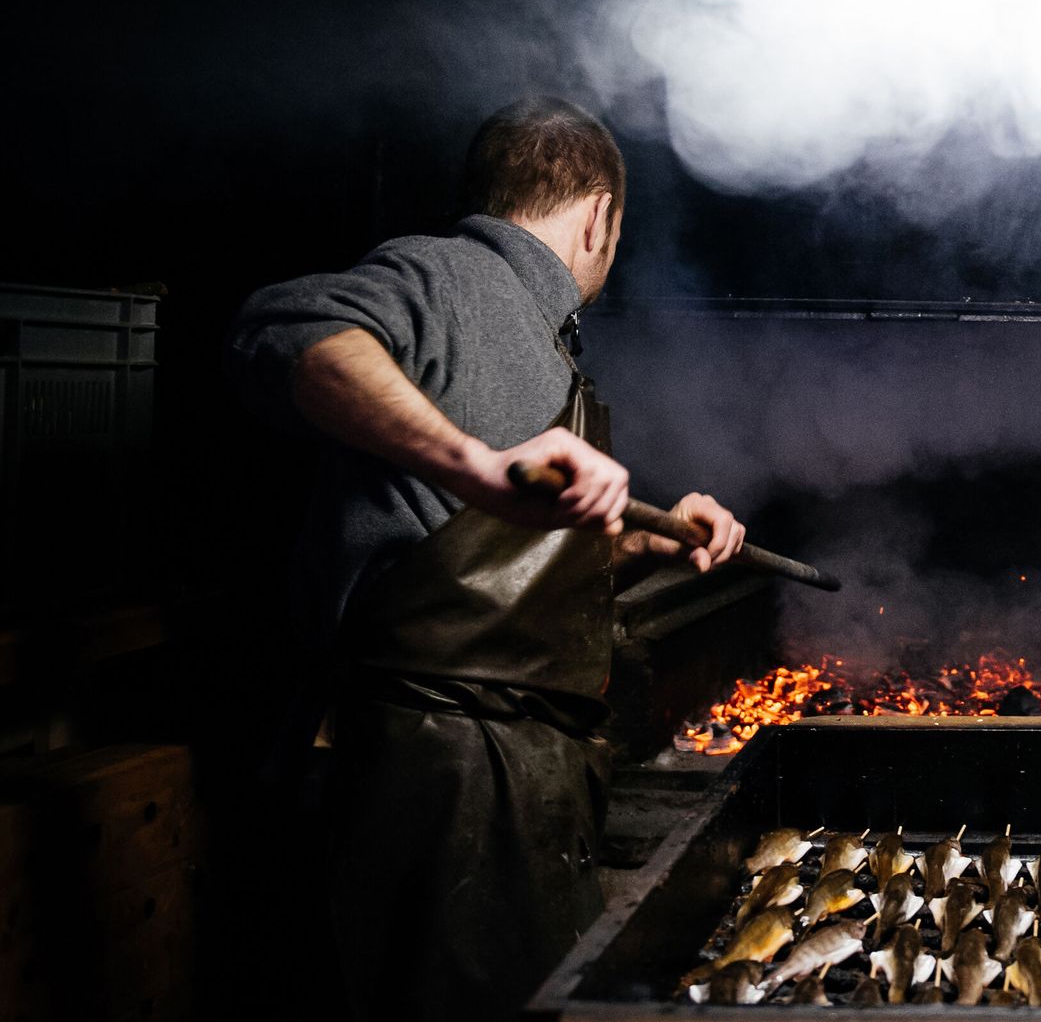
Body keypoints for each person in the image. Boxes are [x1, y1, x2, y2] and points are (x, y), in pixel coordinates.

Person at [228, 96, 744, 1021]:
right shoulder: (450, 275)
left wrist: (654, 539)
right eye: (616, 230)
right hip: (434, 771)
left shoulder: (542, 334)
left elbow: (511, 571)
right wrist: (474, 463)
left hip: (519, 773)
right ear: (599, 216)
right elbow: (286, 328)